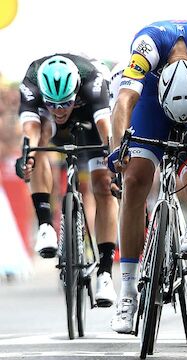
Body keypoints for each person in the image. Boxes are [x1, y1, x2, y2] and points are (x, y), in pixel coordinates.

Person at [108, 20, 187, 333]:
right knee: (135, 180)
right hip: (151, 101)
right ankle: (128, 292)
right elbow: (123, 101)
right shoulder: (147, 47)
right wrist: (117, 152)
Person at [16, 54, 118, 307]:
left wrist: (115, 163)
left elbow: (107, 131)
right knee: (37, 149)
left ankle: (105, 273)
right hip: (49, 126)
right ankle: (45, 226)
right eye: (53, 104)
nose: (59, 110)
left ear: (75, 92)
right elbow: (29, 132)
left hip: (89, 119)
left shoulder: (93, 83)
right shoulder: (31, 82)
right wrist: (25, 156)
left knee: (102, 185)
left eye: (64, 104)